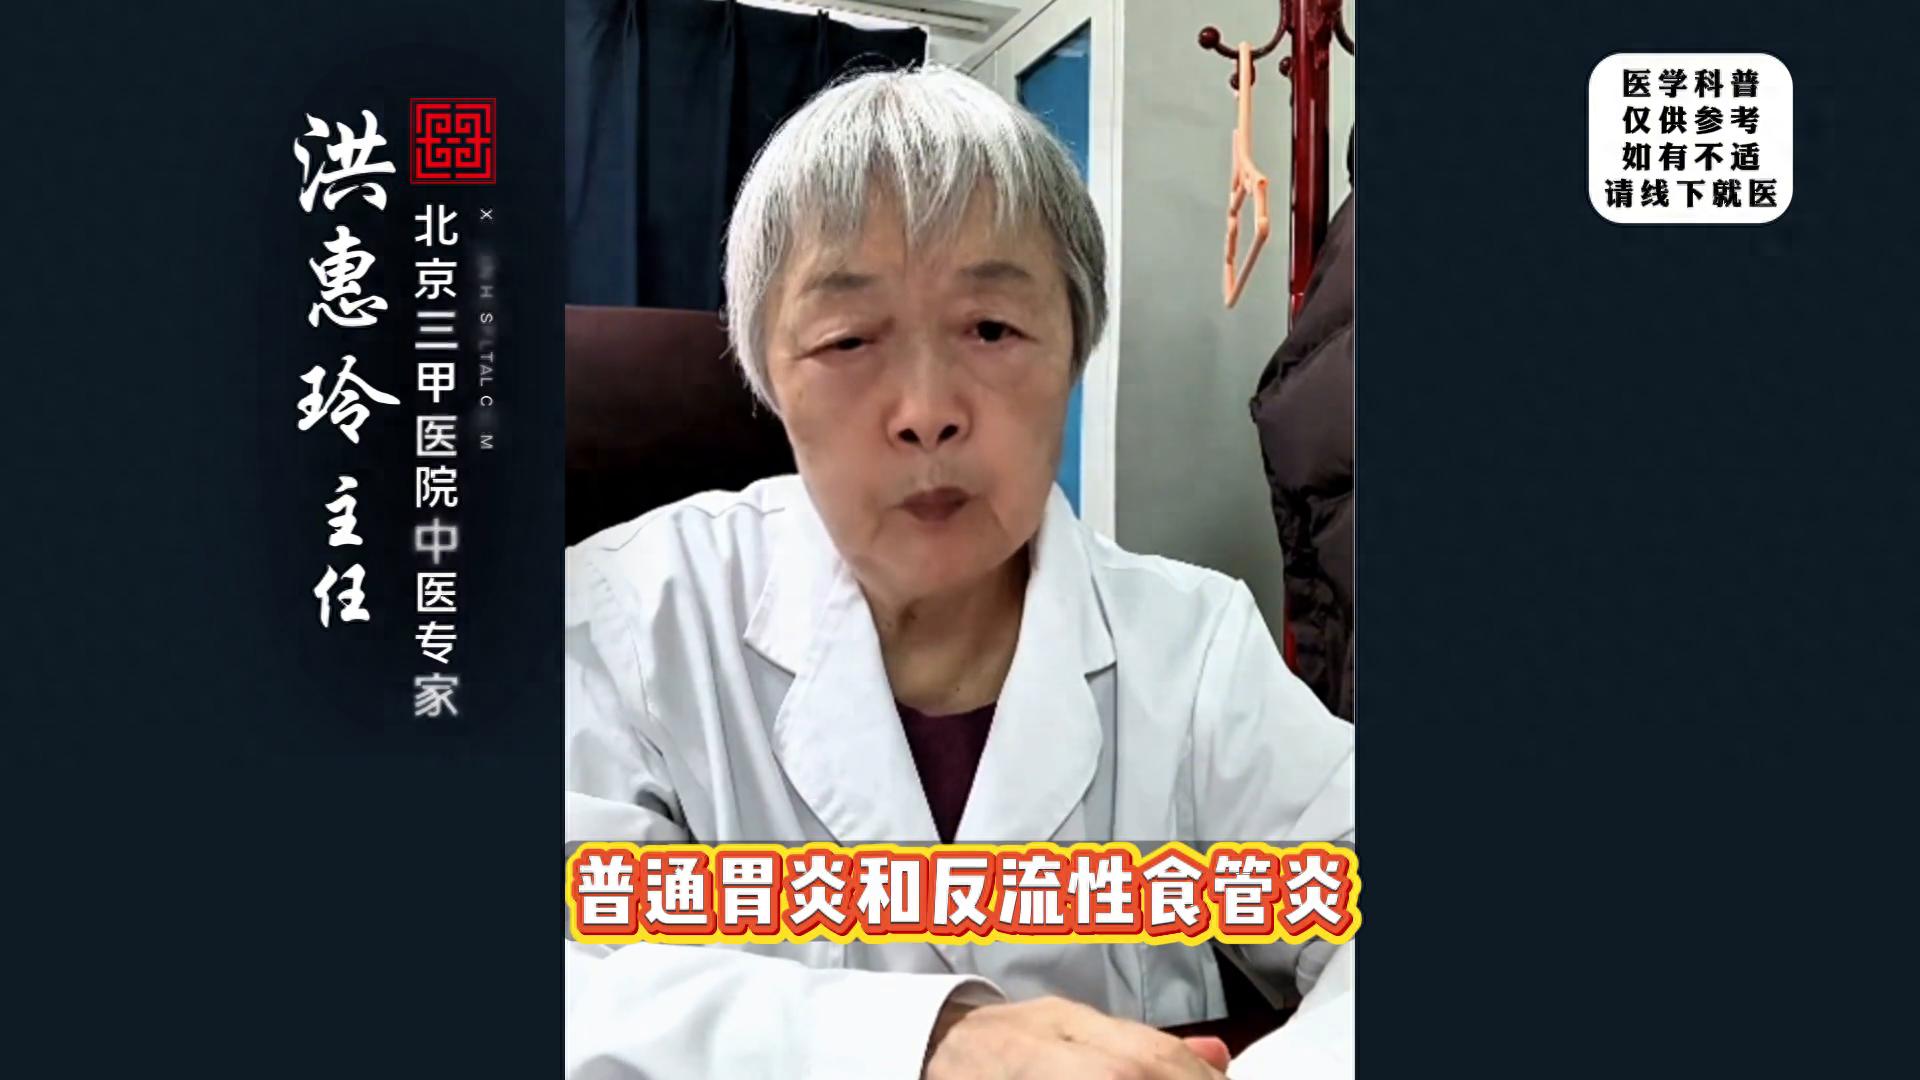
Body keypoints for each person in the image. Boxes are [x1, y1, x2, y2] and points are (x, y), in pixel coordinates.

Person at [565, 66, 1354, 1080]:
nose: (927, 411)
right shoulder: (629, 618)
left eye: (991, 328)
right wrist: (921, 1044)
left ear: (1074, 350)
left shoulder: (1191, 644)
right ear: (767, 373)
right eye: (849, 339)